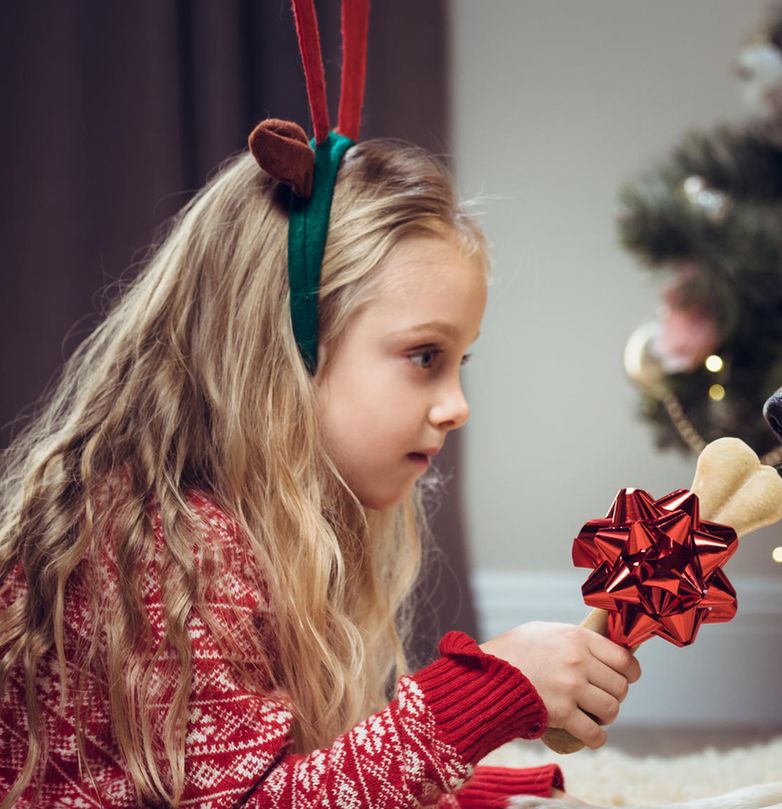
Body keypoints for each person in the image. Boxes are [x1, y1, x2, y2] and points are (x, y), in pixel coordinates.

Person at [0, 138, 639, 807]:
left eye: (460, 362)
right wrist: (486, 691)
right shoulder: (165, 552)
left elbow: (268, 774)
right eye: (424, 355)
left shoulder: (248, 526)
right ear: (286, 350)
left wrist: (450, 792)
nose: (457, 406)